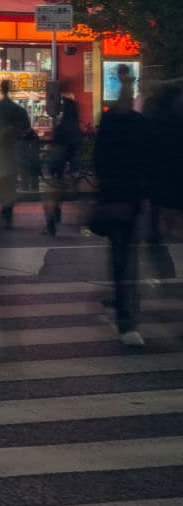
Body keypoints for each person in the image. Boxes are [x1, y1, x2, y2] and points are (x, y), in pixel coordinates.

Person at [93, 79, 153, 348]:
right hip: (131, 198)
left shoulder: (107, 123)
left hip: (111, 196)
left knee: (119, 255)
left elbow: (98, 160)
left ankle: (124, 310)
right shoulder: (139, 124)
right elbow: (148, 161)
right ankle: (127, 313)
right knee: (129, 256)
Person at [0, 79, 35, 229]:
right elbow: (26, 128)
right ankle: (7, 215)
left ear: (0, 90)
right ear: (10, 89)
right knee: (9, 186)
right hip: (12, 151)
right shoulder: (17, 110)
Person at [41, 89, 81, 235]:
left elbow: (54, 144)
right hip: (69, 166)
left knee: (49, 194)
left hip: (56, 164)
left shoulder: (61, 127)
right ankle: (57, 211)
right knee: (60, 191)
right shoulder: (75, 128)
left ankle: (51, 221)